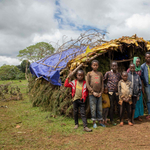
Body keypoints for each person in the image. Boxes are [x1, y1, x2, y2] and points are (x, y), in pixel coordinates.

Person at [86, 60, 105, 128]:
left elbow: (102, 84)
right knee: (93, 108)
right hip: (92, 94)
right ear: (91, 66)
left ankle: (100, 121)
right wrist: (92, 92)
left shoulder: (100, 74)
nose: (95, 66)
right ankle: (94, 122)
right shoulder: (89, 74)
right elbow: (87, 84)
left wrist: (101, 92)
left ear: (98, 66)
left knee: (99, 108)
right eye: (94, 65)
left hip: (99, 94)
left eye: (96, 65)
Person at [127, 57, 144, 121]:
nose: (138, 63)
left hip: (137, 89)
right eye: (137, 61)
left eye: (139, 62)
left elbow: (141, 79)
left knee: (139, 102)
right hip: (131, 90)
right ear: (134, 61)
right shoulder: (129, 71)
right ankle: (133, 117)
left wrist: (141, 88)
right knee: (133, 104)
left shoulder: (140, 69)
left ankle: (138, 116)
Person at [141, 52, 150, 119]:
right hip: (147, 85)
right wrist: (142, 87)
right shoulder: (143, 66)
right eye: (147, 57)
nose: (148, 58)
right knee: (149, 99)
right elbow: (141, 78)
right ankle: (149, 113)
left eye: (149, 57)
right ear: (145, 57)